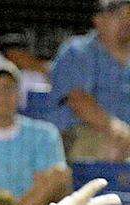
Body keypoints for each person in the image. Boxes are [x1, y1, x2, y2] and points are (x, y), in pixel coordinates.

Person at [0, 63, 71, 205]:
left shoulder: (43, 134)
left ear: (19, 95)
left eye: (10, 88)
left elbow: (55, 181)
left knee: (58, 174)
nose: (3, 95)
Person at [48, 0, 130, 160]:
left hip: (125, 137)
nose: (127, 21)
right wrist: (116, 129)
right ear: (98, 20)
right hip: (82, 132)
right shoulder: (78, 51)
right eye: (119, 16)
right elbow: (78, 100)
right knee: (109, 148)